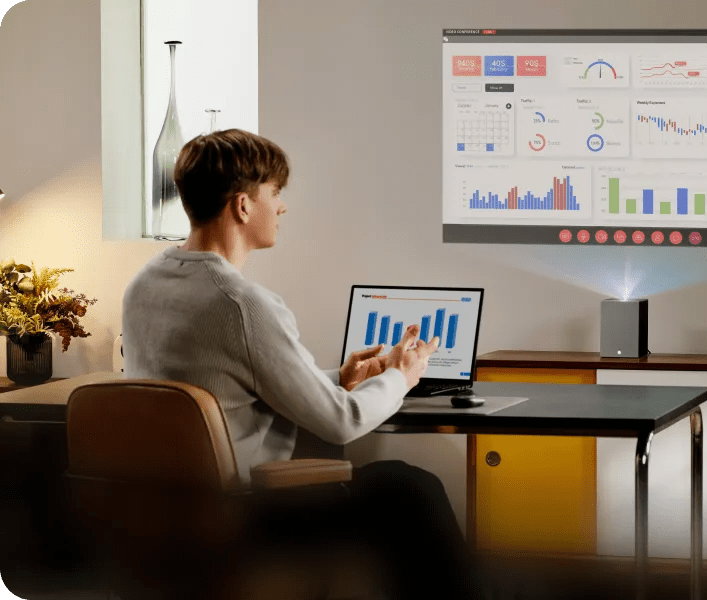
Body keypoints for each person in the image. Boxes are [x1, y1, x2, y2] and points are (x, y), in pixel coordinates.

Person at [122, 129, 484, 600]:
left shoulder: (143, 284)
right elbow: (341, 422)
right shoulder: (242, 303)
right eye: (275, 193)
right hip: (241, 516)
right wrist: (402, 375)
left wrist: (342, 378)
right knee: (411, 490)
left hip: (163, 514)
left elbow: (225, 386)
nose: (283, 207)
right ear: (243, 206)